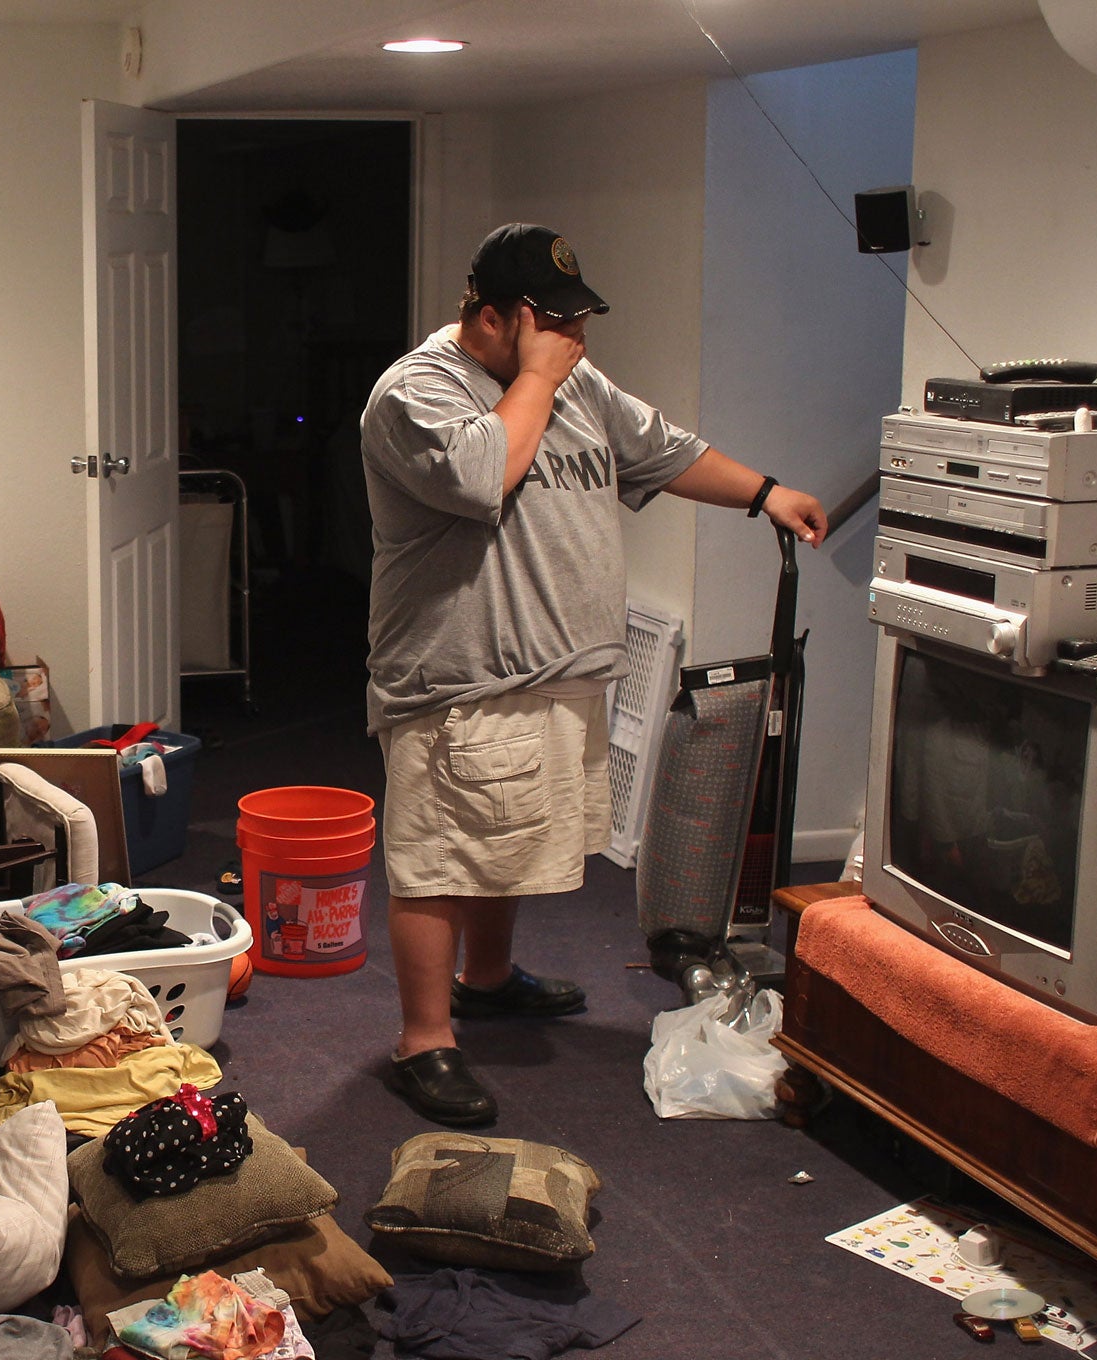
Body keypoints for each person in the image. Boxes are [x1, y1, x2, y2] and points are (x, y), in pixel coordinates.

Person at [360, 222, 828, 1126]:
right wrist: (534, 377)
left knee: (507, 842)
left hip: (558, 669)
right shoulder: (414, 393)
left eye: (576, 324)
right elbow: (485, 476)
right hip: (459, 679)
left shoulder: (575, 383)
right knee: (441, 856)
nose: (573, 342)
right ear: (492, 317)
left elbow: (661, 449)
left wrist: (766, 492)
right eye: (551, 325)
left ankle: (487, 981)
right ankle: (424, 1041)